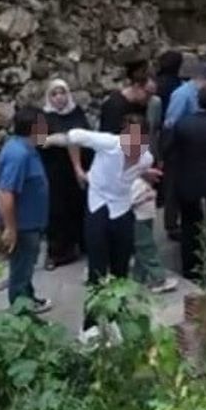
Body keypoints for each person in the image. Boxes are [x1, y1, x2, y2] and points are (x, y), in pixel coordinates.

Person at [43, 113, 160, 339]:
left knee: (121, 270)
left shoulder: (146, 158)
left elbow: (138, 168)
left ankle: (116, 319)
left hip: (122, 208)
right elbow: (73, 136)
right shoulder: (108, 143)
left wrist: (146, 173)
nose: (133, 147)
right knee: (97, 269)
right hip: (98, 204)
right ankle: (90, 325)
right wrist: (48, 141)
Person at [166, 83, 206, 281]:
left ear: (198, 101)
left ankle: (188, 270)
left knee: (188, 227)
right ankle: (203, 269)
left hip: (187, 182)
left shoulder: (183, 124)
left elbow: (169, 148)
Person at [0, 107, 52, 314]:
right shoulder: (18, 155)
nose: (48, 130)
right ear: (34, 128)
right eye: (44, 126)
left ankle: (28, 298)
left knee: (26, 266)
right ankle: (20, 311)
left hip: (31, 222)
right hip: (22, 225)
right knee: (21, 268)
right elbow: (6, 192)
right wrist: (11, 228)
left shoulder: (27, 148)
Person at [161, 58, 206, 241]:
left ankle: (190, 219)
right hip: (178, 147)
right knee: (173, 186)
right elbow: (170, 123)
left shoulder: (198, 94)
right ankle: (172, 224)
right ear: (204, 79)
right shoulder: (182, 95)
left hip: (191, 149)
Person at [39, 79, 88, 270]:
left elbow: (86, 135)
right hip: (55, 173)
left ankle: (84, 244)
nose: (59, 98)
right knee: (58, 212)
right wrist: (57, 140)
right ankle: (59, 253)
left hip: (78, 170)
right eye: (54, 94)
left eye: (62, 93)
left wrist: (67, 139)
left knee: (81, 207)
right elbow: (39, 141)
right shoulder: (43, 117)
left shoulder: (76, 112)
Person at [130, 173, 177, 293]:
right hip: (138, 213)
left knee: (143, 246)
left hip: (145, 211)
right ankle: (158, 277)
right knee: (146, 246)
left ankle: (138, 276)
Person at [99, 60, 152, 134]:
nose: (149, 99)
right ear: (137, 87)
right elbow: (110, 136)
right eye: (148, 94)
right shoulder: (115, 106)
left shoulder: (138, 106)